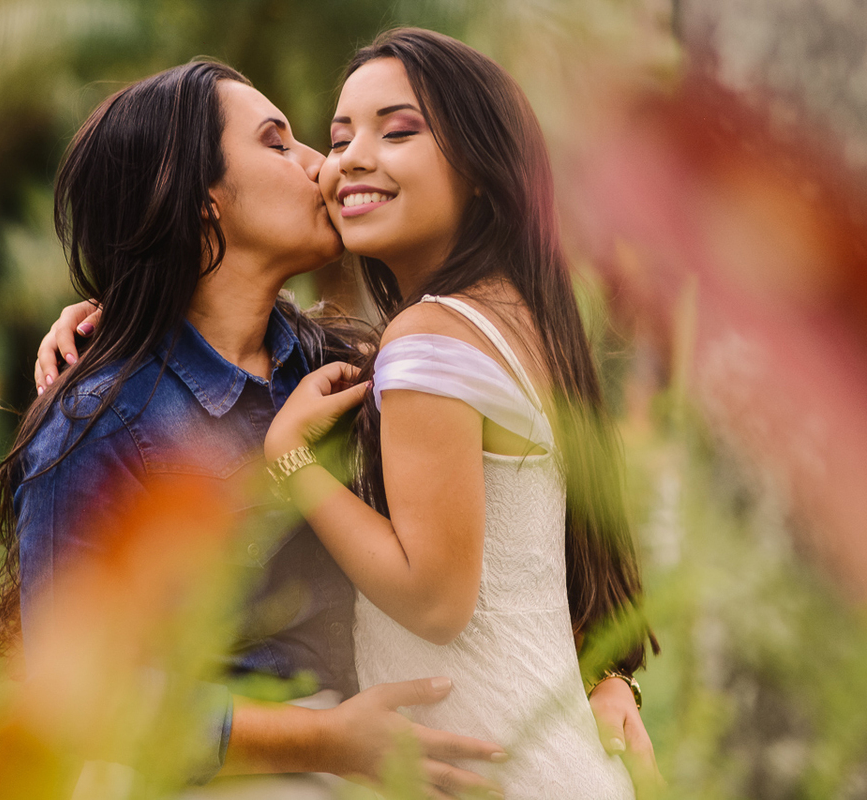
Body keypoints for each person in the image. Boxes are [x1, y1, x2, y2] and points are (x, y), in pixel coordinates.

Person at [22, 54, 657, 794]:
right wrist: (326, 739)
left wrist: (608, 675)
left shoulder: (345, 367)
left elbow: (524, 526)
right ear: (202, 199)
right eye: (278, 142)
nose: (325, 165)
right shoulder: (99, 422)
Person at [258, 28, 660, 799]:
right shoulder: (520, 322)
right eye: (339, 138)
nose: (351, 158)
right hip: (548, 758)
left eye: (398, 130)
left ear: (481, 169)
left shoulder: (428, 338)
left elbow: (436, 600)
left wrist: (292, 464)